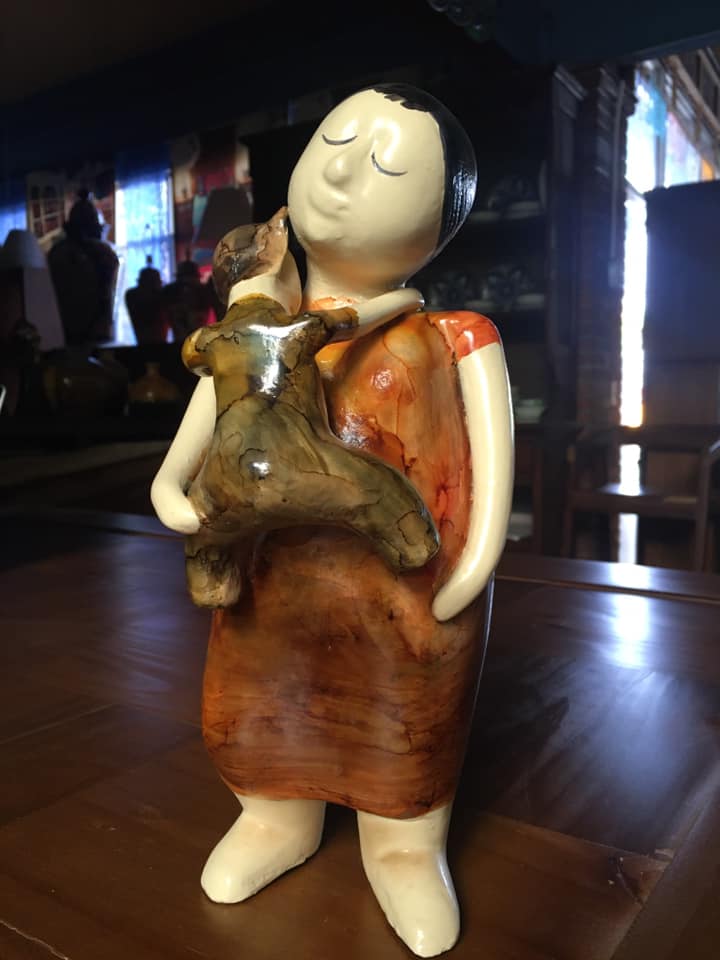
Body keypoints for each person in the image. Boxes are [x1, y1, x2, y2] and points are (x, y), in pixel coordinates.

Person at [152, 84, 513, 958]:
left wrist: (476, 564)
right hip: (272, 587)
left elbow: (496, 472)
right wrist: (174, 498)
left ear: (441, 221)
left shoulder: (459, 335)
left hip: (405, 592)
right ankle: (276, 816)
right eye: (335, 143)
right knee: (260, 703)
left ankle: (405, 843)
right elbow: (187, 453)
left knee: (404, 716)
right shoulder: (256, 334)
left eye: (385, 165)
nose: (344, 173)